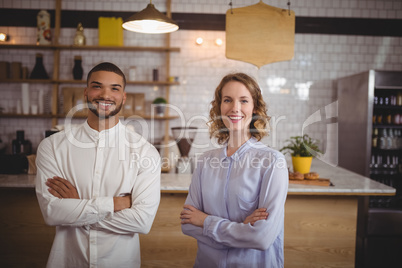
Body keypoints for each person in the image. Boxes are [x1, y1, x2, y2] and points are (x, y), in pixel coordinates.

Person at [35, 62, 161, 268]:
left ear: (124, 96)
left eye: (114, 88)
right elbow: (52, 213)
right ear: (86, 92)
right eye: (97, 86)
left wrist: (78, 204)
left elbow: (142, 222)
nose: (105, 94)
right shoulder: (52, 146)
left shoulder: (145, 152)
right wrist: (114, 204)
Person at [180, 73, 289, 267]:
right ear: (219, 107)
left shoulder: (272, 162)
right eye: (227, 100)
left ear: (254, 108)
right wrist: (241, 231)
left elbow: (261, 238)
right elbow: (188, 224)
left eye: (244, 100)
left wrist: (205, 221)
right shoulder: (205, 161)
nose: (235, 108)